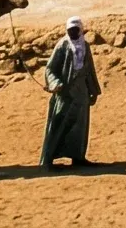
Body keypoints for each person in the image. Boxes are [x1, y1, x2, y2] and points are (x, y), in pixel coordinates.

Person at [40, 15, 101, 168]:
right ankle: (48, 160)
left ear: (80, 30)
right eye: (70, 30)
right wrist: (56, 83)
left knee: (80, 127)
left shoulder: (85, 46)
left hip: (81, 93)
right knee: (58, 125)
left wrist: (93, 90)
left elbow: (89, 70)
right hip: (65, 93)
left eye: (75, 30)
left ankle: (78, 157)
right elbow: (50, 69)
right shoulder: (62, 46)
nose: (73, 33)